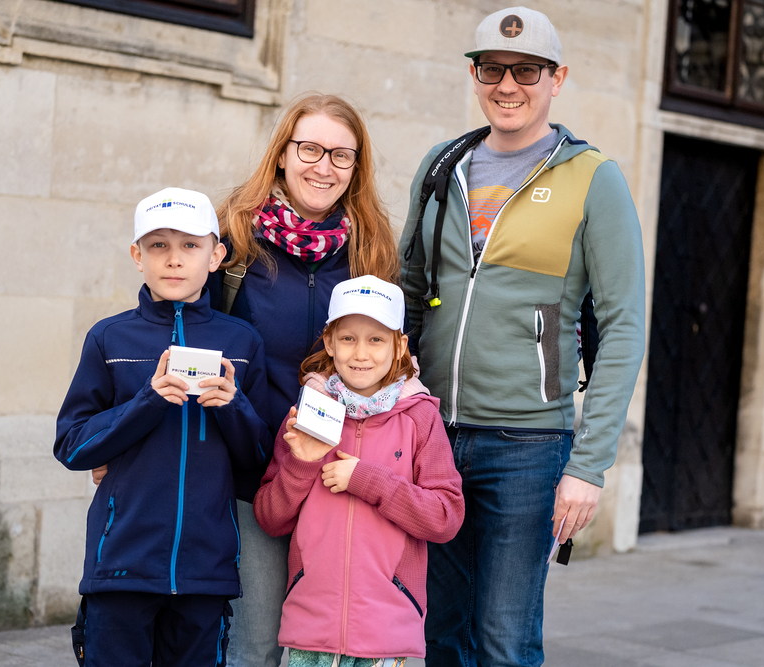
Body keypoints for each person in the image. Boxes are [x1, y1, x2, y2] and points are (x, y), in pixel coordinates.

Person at [399, 7, 647, 667]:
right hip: (433, 436)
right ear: (475, 76)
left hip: (528, 447)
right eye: (492, 69)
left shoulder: (593, 177)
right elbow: (406, 294)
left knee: (504, 640)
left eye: (527, 71)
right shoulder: (442, 165)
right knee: (438, 634)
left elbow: (624, 326)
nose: (507, 85)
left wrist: (588, 466)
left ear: (556, 79)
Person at [209, 94, 401, 667]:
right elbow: (178, 332)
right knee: (256, 647)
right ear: (282, 154)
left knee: (332, 646)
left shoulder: (372, 248)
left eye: (341, 155)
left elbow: (396, 359)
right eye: (310, 149)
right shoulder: (233, 240)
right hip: (255, 474)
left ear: (356, 167)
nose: (324, 166)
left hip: (342, 477)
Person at [55, 187, 271, 667]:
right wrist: (146, 403)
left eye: (190, 245)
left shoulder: (241, 341)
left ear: (215, 257)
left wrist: (233, 407)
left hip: (205, 573)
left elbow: (259, 461)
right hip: (120, 567)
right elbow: (71, 445)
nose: (174, 259)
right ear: (138, 256)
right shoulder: (109, 337)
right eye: (158, 245)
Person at [253, 275, 465, 666]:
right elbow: (269, 518)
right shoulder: (308, 414)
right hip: (311, 627)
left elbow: (445, 517)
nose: (361, 353)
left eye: (376, 339)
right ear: (330, 342)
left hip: (386, 630)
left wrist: (367, 480)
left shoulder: (420, 418)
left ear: (399, 346)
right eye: (348, 338)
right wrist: (302, 464)